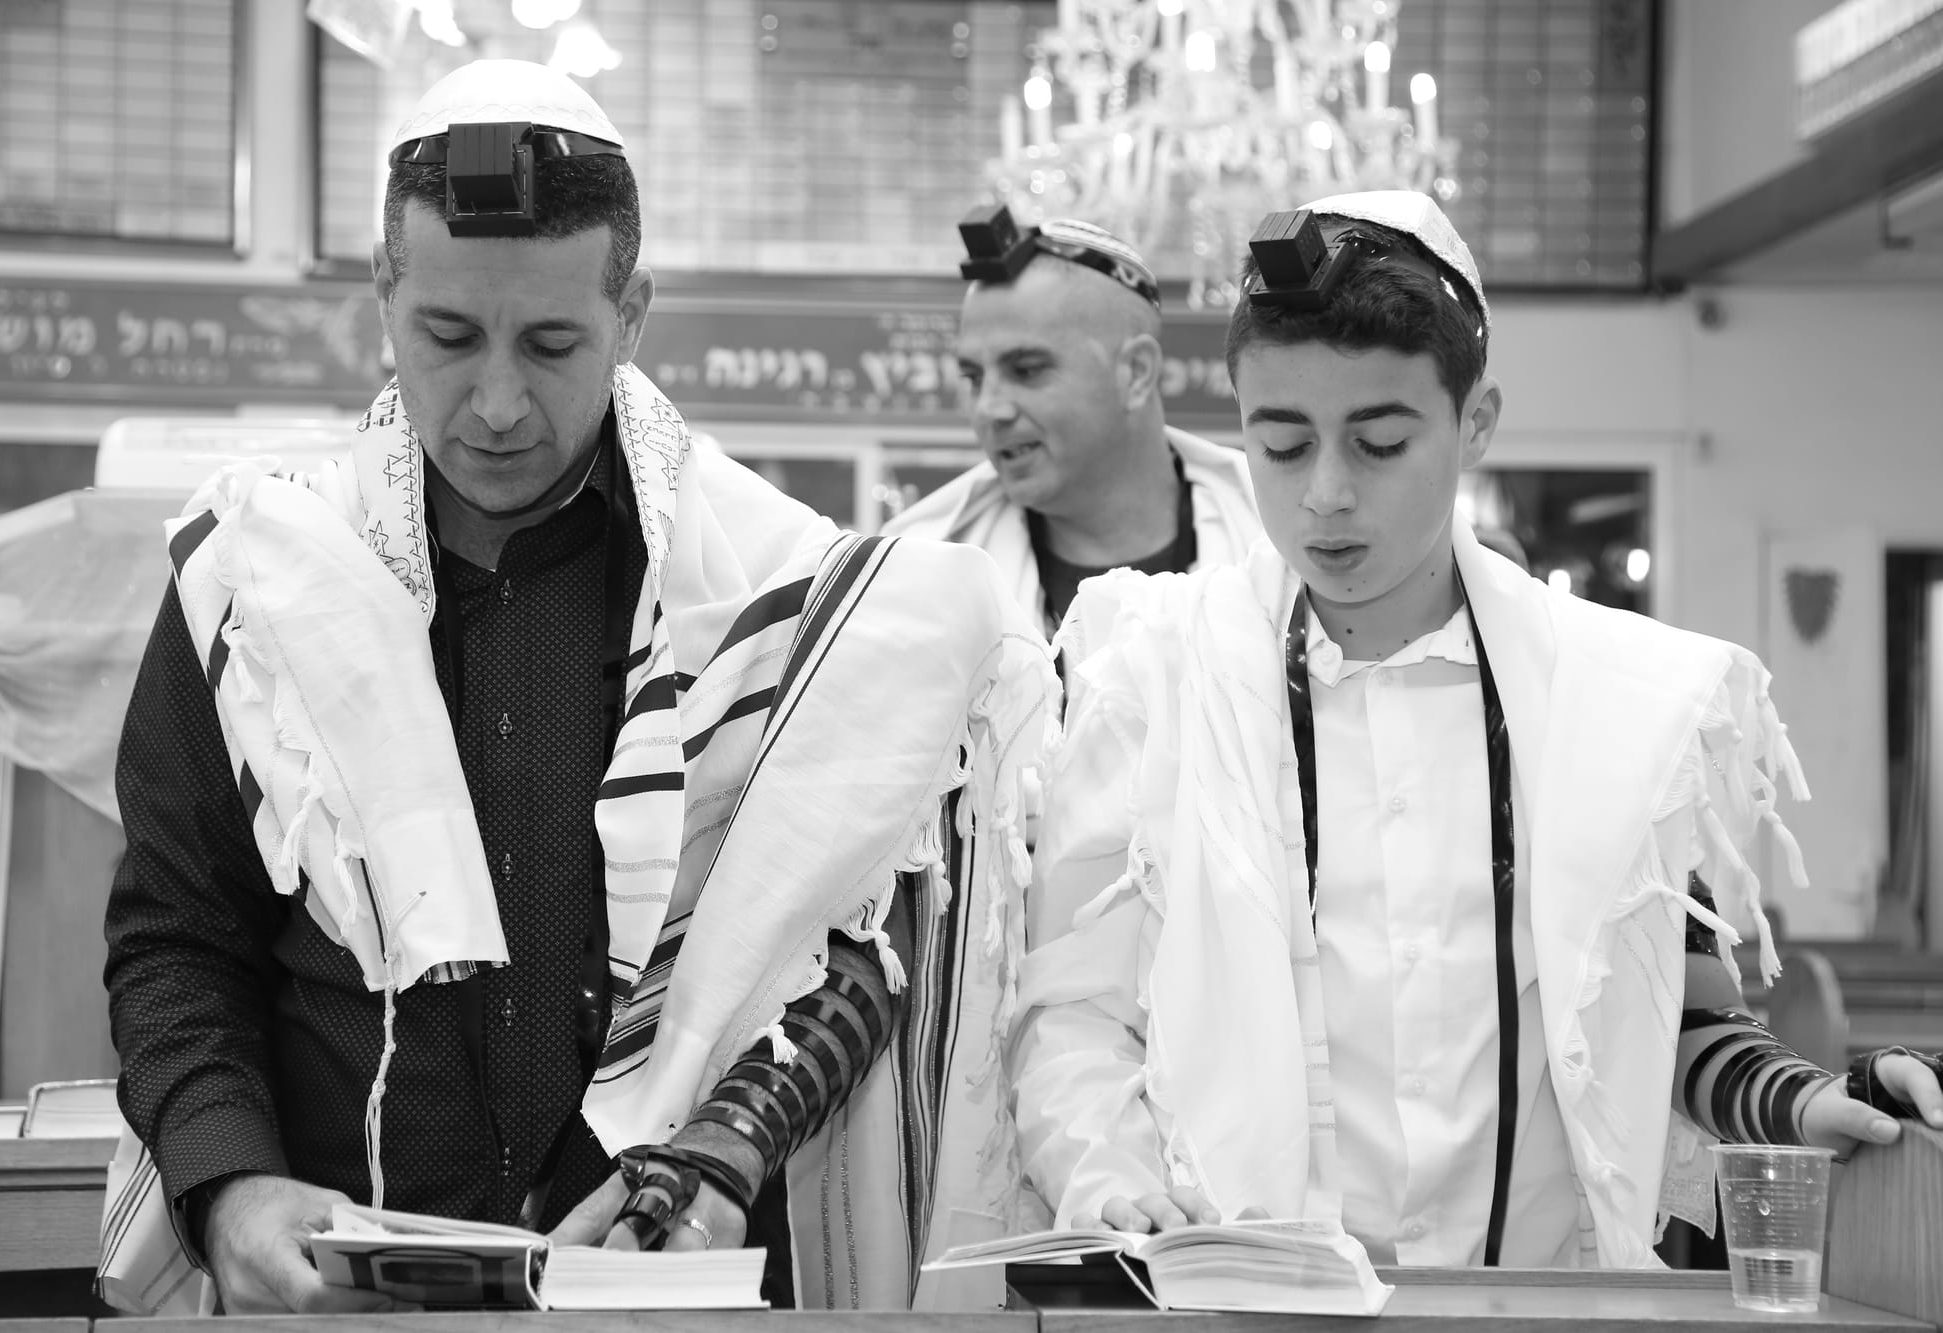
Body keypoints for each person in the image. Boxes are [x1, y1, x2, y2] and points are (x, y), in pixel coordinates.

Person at [100, 60, 1055, 1315]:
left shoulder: (774, 591)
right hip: (334, 1298)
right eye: (447, 337)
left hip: (672, 1290)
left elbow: (863, 933)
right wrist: (228, 1185)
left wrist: (726, 1150)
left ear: (631, 314)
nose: (497, 404)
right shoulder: (252, 583)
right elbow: (176, 939)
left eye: (552, 345)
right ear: (383, 296)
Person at [1009, 191, 1943, 1268]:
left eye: (1379, 442)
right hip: (1238, 1294)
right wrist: (1110, 1179)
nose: (1325, 494)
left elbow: (1672, 1014)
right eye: (1282, 444)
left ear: (1475, 423)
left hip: (1529, 1301)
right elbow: (1074, 1012)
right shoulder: (1156, 676)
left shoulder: (1606, 698)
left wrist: (1809, 1100)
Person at [882, 208, 1262, 637]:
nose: (989, 410)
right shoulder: (912, 575)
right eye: (974, 378)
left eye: (1026, 370)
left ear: (1136, 373)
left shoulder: (1281, 542)